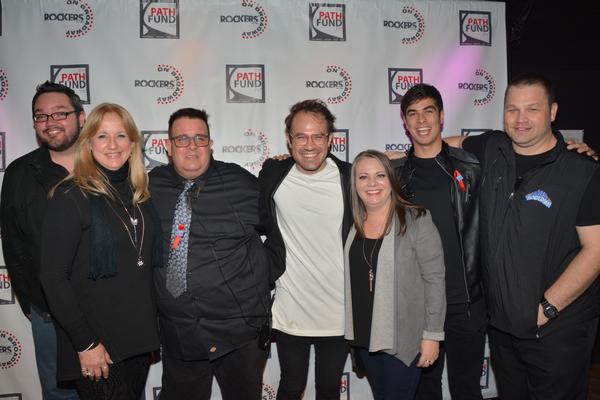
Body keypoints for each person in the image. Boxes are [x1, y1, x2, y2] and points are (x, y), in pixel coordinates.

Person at [446, 73, 600, 399]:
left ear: (553, 112)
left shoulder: (583, 170)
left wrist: (548, 308)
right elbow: (451, 144)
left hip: (558, 331)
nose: (521, 119)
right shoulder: (492, 148)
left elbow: (596, 251)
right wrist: (401, 156)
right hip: (503, 328)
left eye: (532, 109)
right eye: (512, 109)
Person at [39, 103, 162, 398]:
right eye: (102, 136)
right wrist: (85, 344)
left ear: (133, 144)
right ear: (88, 143)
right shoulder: (70, 196)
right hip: (97, 344)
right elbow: (53, 279)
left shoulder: (141, 196)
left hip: (137, 338)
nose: (112, 145)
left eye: (121, 136)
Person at [149, 108, 272, 400]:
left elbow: (282, 231)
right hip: (180, 335)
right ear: (168, 146)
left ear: (210, 144)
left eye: (200, 139)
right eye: (182, 139)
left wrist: (267, 270)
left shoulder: (243, 184)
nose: (192, 146)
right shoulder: (147, 187)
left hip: (240, 334)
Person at [393, 83, 486, 400]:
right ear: (405, 123)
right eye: (413, 114)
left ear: (442, 116)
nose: (421, 120)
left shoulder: (471, 167)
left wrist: (569, 145)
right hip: (418, 304)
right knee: (424, 390)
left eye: (428, 111)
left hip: (466, 302)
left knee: (466, 389)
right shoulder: (393, 174)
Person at [259, 99, 351, 400]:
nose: (309, 144)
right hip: (291, 310)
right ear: (289, 139)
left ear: (331, 139)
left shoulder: (351, 178)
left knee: (328, 389)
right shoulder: (273, 174)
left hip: (339, 312)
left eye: (318, 136)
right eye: (301, 136)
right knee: (291, 387)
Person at [0, 81, 84, 400]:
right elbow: (15, 244)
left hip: (106, 309)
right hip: (48, 312)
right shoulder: (20, 173)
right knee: (58, 391)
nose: (51, 122)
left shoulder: (108, 165)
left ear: (81, 116)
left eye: (60, 113)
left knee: (115, 389)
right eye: (41, 116)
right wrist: (35, 303)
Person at [344, 149, 446, 399]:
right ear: (354, 184)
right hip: (366, 337)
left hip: (403, 340)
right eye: (363, 177)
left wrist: (432, 336)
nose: (372, 183)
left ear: (391, 179)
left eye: (380, 175)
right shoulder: (353, 224)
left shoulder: (416, 219)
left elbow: (435, 281)